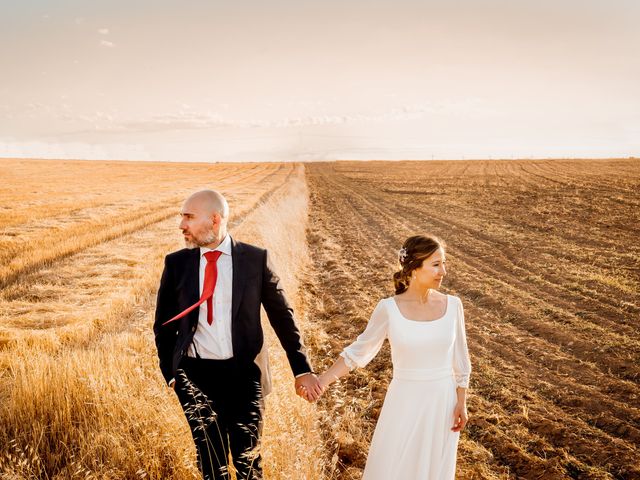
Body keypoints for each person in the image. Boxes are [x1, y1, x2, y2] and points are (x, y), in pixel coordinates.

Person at [153, 190, 323, 480]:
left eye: (189, 217)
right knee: (210, 465)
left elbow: (283, 317)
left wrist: (302, 369)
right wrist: (172, 373)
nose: (181, 224)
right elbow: (164, 324)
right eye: (182, 216)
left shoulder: (255, 261)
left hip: (246, 377)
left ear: (215, 219)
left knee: (248, 466)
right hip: (195, 377)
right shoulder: (176, 263)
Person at [314, 234, 471, 480]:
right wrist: (322, 381)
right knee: (395, 467)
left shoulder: (453, 306)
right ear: (414, 268)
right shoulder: (388, 308)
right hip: (404, 402)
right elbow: (358, 352)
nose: (444, 271)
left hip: (443, 403)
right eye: (436, 264)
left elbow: (461, 360)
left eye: (444, 263)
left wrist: (461, 402)